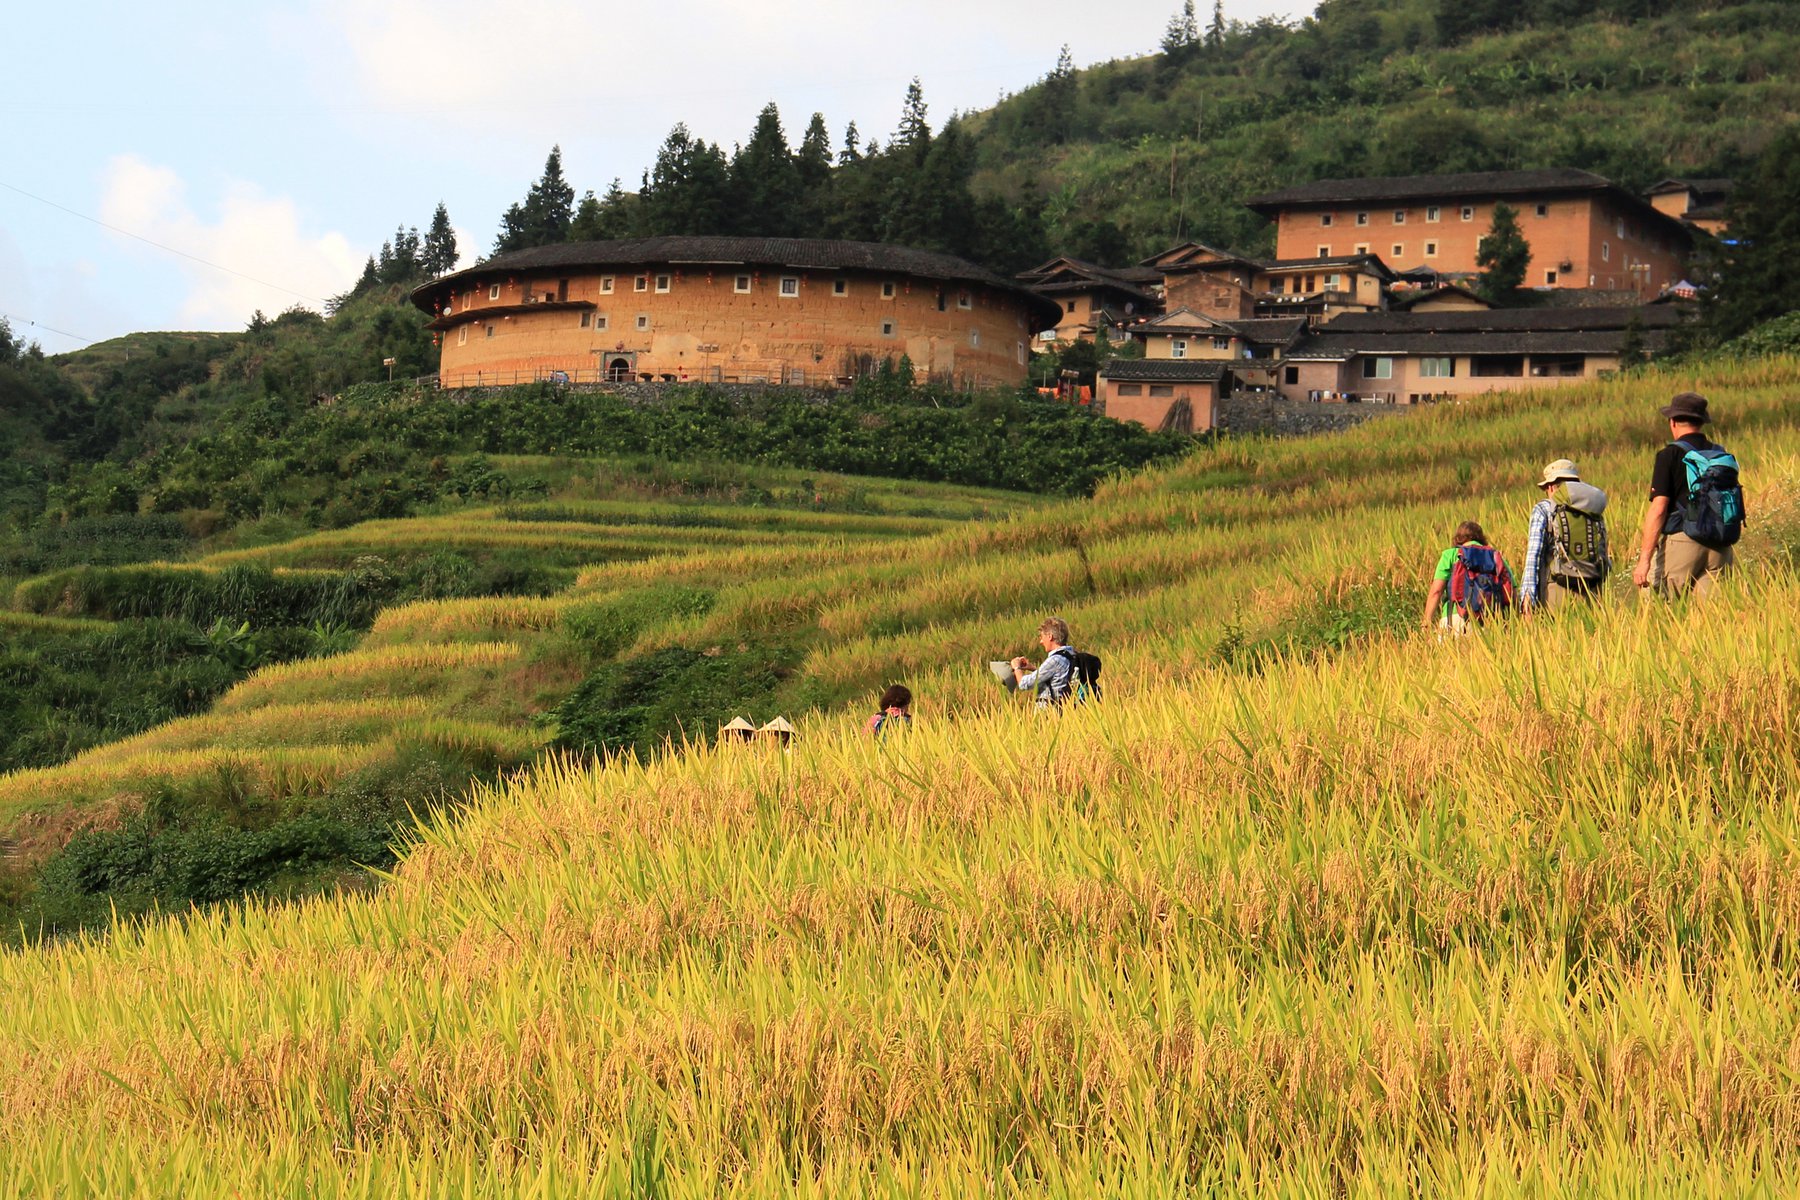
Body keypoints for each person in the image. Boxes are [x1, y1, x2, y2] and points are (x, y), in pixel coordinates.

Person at [1633, 392, 1742, 598]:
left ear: (1672, 422)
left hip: (1683, 541)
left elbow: (1659, 509)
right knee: (1712, 618)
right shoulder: (1720, 454)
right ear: (1701, 422)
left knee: (1660, 608)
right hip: (1720, 544)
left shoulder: (1669, 455)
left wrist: (1644, 560)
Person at [1520, 459, 1611, 613]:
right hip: (1592, 592)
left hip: (1555, 593)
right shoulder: (1592, 509)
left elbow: (1534, 556)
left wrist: (1527, 597)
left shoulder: (1544, 508)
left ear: (1550, 486)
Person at [1421, 521, 1516, 632]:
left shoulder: (1450, 555)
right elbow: (1512, 592)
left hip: (1454, 620)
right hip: (1489, 621)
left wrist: (1426, 622)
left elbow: (1436, 591)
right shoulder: (1495, 557)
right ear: (1481, 538)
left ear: (1458, 538)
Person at [1012, 616, 1085, 708]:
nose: (1041, 642)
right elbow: (1056, 678)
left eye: (1042, 637)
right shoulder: (1072, 654)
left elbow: (1024, 684)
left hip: (1051, 713)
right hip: (1066, 709)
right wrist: (1033, 668)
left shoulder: (1055, 660)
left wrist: (1016, 667)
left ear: (1050, 636)